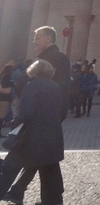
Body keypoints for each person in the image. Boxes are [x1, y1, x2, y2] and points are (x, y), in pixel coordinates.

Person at [1, 60, 65, 205]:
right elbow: (61, 110)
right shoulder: (55, 86)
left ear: (33, 71)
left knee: (9, 169)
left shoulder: (32, 86)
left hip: (31, 137)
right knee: (50, 173)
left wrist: (14, 124)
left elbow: (26, 112)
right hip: (52, 137)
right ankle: (52, 201)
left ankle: (14, 192)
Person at [0, 63, 14, 137]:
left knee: (2, 116)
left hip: (2, 98)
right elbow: (4, 85)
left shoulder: (2, 75)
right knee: (1, 117)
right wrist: (11, 83)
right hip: (4, 99)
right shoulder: (6, 77)